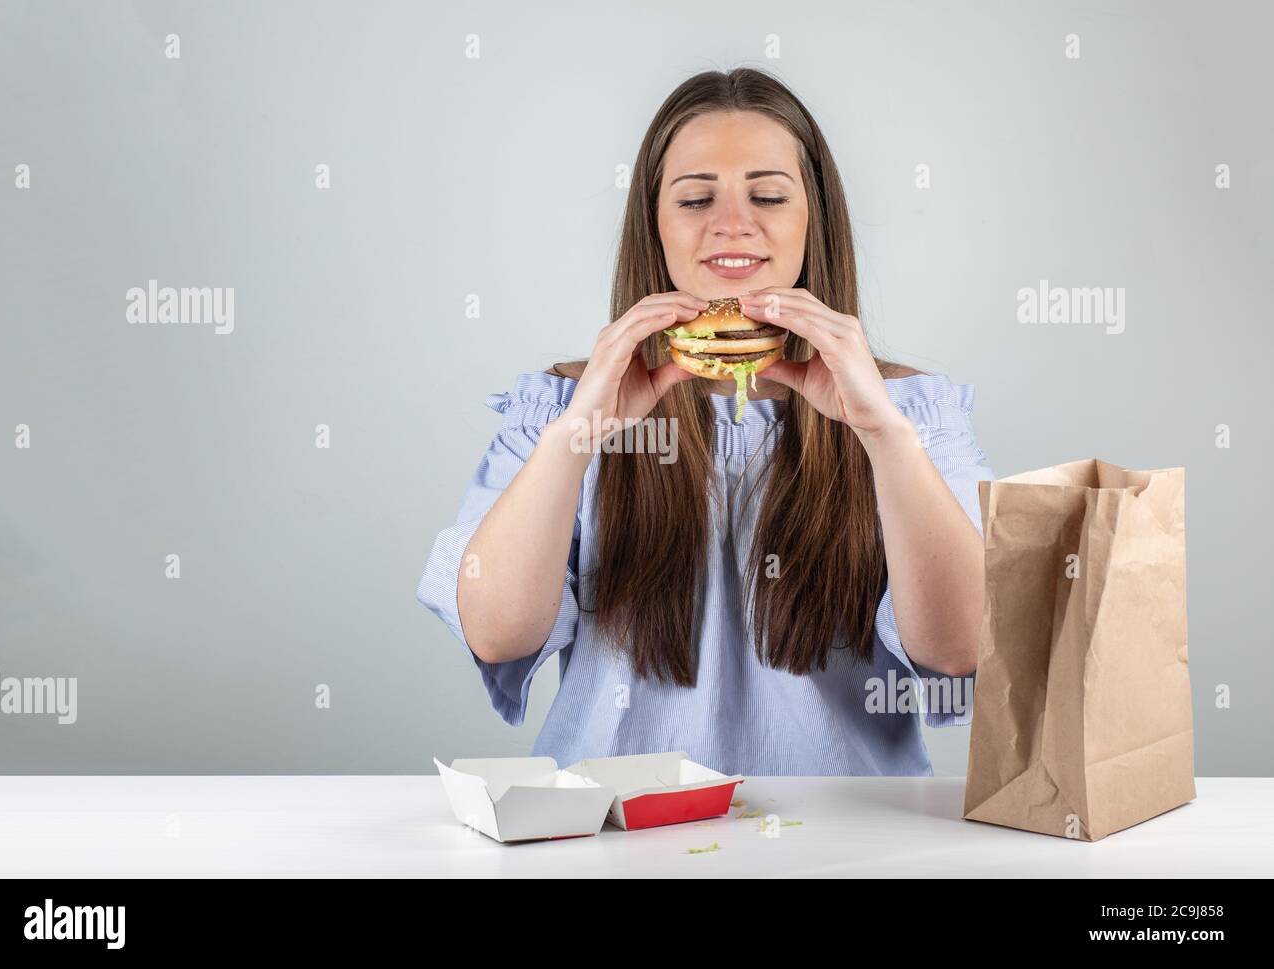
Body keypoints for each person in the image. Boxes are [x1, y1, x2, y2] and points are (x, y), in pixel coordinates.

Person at [417, 68, 994, 775]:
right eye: (695, 198)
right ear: (653, 226)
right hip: (617, 836)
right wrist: (577, 434)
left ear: (815, 219)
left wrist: (882, 434)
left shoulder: (911, 414)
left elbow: (962, 645)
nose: (732, 224)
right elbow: (499, 633)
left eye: (769, 195)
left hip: (845, 841)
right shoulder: (566, 404)